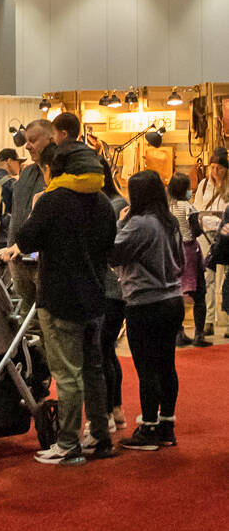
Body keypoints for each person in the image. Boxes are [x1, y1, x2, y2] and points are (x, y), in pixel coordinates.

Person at [13, 140, 117, 466]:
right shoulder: (102, 202)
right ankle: (100, 436)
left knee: (68, 375)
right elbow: (108, 246)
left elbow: (26, 239)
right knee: (93, 371)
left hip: (59, 299)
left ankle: (68, 444)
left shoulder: (53, 199)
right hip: (95, 298)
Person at [111, 170, 184, 451]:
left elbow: (113, 253)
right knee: (166, 365)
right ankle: (166, 426)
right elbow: (178, 258)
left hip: (145, 302)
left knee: (147, 369)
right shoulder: (170, 222)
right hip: (172, 300)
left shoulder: (139, 224)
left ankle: (149, 428)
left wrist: (119, 223)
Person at [5, 119, 53, 316]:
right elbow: (17, 213)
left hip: (44, 263)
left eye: (33, 140)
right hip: (18, 260)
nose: (27, 146)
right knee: (27, 321)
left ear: (50, 140)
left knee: (47, 320)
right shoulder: (26, 174)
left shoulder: (61, 176)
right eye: (26, 140)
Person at [99, 160, 130, 432]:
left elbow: (112, 246)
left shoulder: (116, 204)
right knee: (106, 350)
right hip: (101, 287)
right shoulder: (102, 203)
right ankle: (115, 409)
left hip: (113, 288)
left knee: (102, 348)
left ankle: (109, 411)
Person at [168, 173, 210, 347]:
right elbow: (196, 231)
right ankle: (199, 334)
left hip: (173, 252)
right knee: (199, 292)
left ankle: (179, 334)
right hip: (189, 250)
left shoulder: (168, 207)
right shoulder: (189, 207)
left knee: (177, 293)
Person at [194, 147, 229, 337]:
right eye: (213, 167)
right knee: (208, 278)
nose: (215, 172)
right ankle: (208, 320)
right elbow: (197, 209)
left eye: (220, 168)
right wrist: (210, 221)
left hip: (226, 235)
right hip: (206, 234)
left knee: (228, 279)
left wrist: (219, 222)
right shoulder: (204, 185)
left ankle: (227, 320)